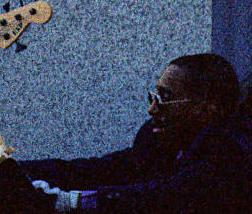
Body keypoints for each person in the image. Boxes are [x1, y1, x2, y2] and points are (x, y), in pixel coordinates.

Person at [21, 53, 252, 214]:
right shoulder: (160, 141)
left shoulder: (233, 153)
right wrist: (19, 170)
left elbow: (163, 198)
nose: (152, 108)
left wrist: (69, 202)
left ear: (209, 107)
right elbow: (102, 170)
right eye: (155, 96)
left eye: (166, 98)